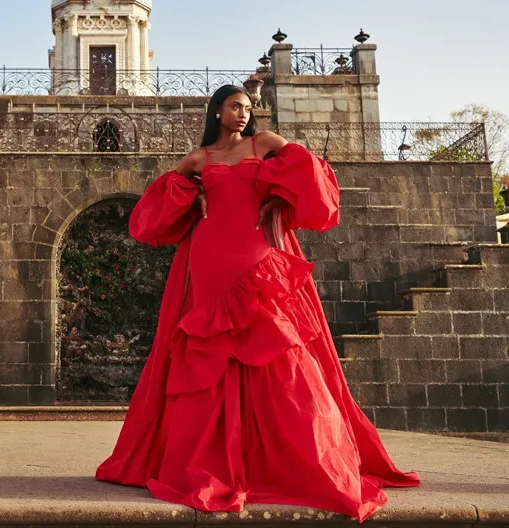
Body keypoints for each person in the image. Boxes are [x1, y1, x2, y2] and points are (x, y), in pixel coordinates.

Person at [95, 85, 420, 522]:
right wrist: (191, 194)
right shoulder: (198, 158)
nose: (243, 113)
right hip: (210, 256)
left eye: (248, 107)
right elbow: (156, 208)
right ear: (216, 110)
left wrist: (278, 199)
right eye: (235, 106)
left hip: (256, 251)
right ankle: (210, 463)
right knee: (210, 350)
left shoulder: (264, 144)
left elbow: (310, 170)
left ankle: (293, 460)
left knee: (276, 345)